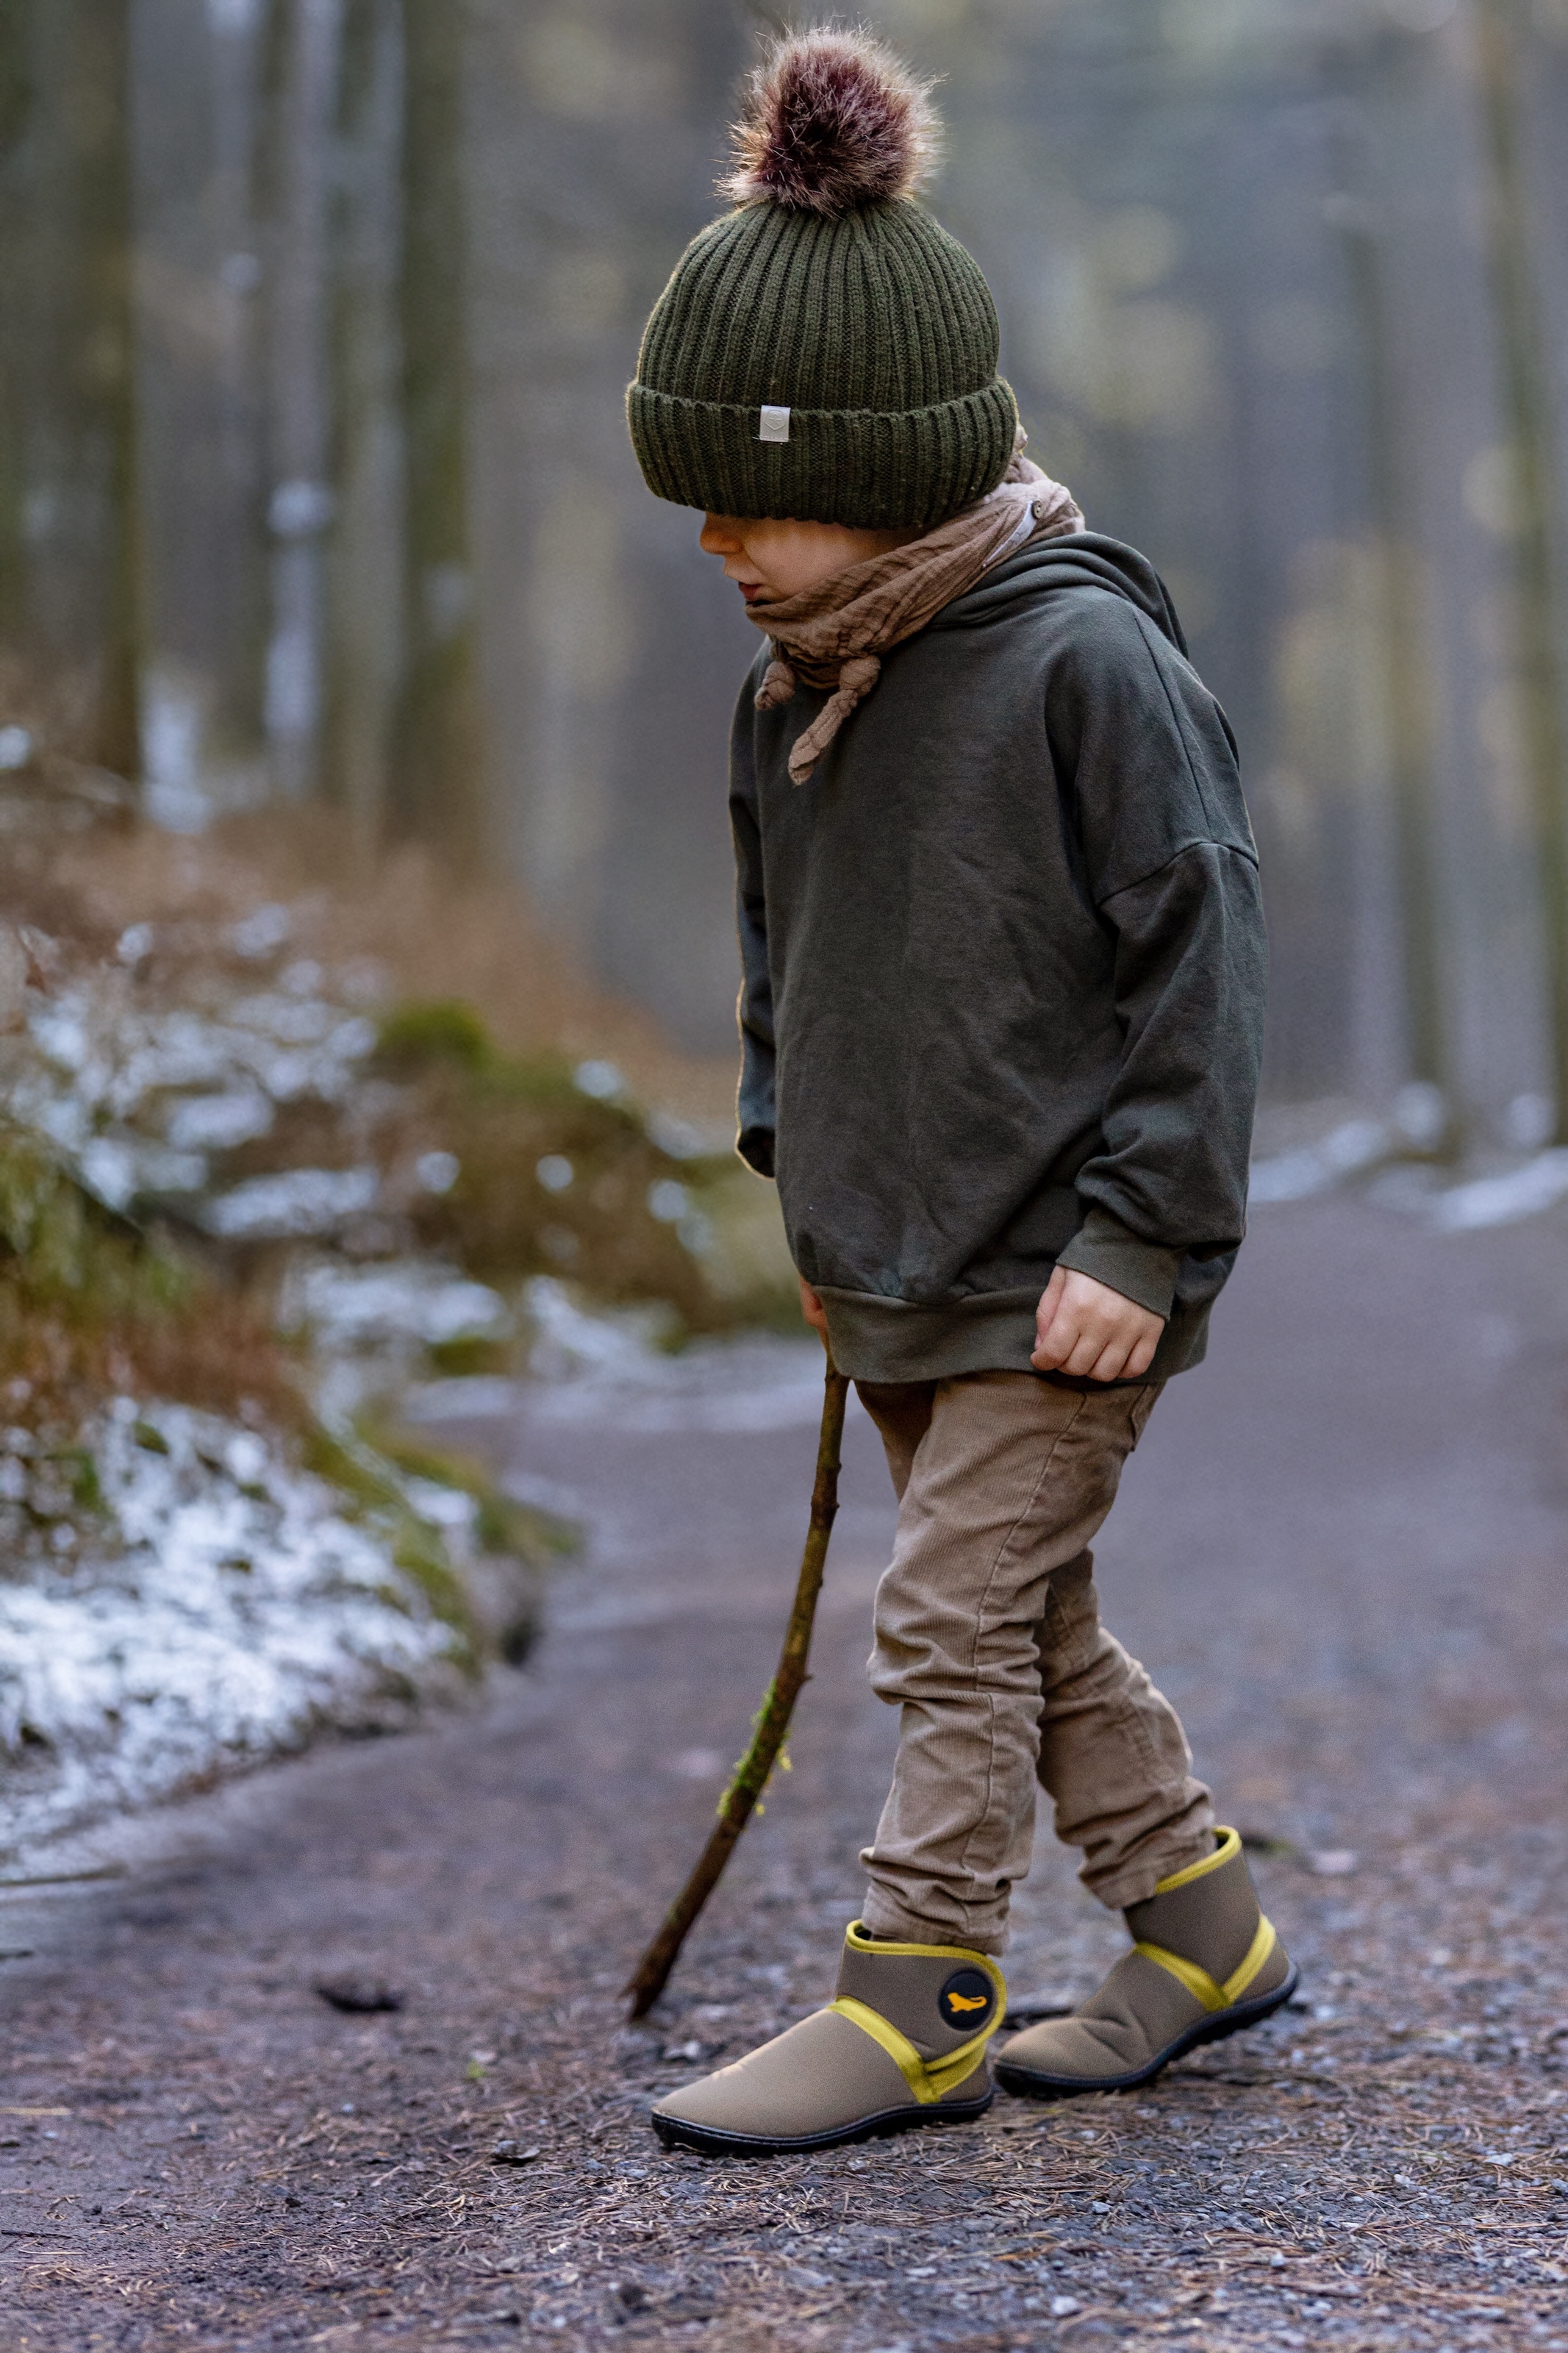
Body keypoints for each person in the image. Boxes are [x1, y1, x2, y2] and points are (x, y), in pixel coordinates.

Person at [626, 26, 1294, 2158]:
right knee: (1026, 1616)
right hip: (900, 1257)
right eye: (701, 501)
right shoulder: (796, 690)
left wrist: (1151, 1232)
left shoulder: (1084, 662)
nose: (725, 540)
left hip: (1074, 1271)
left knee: (948, 1615)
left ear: (902, 468)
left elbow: (1204, 956)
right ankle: (1202, 1927)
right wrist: (801, 1192)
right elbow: (788, 976)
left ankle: (918, 1993)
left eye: (764, 499)